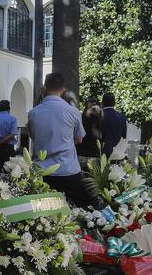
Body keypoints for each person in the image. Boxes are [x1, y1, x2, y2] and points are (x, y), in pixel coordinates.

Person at [27, 71, 104, 208]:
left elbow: (34, 136)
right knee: (87, 207)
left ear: (44, 87)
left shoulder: (34, 113)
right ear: (63, 90)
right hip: (67, 169)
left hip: (42, 171)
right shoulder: (72, 111)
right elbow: (79, 139)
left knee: (42, 212)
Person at [100, 93, 128, 157]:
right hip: (117, 152)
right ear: (114, 103)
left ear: (102, 102)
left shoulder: (98, 116)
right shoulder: (122, 117)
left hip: (101, 152)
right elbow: (124, 136)